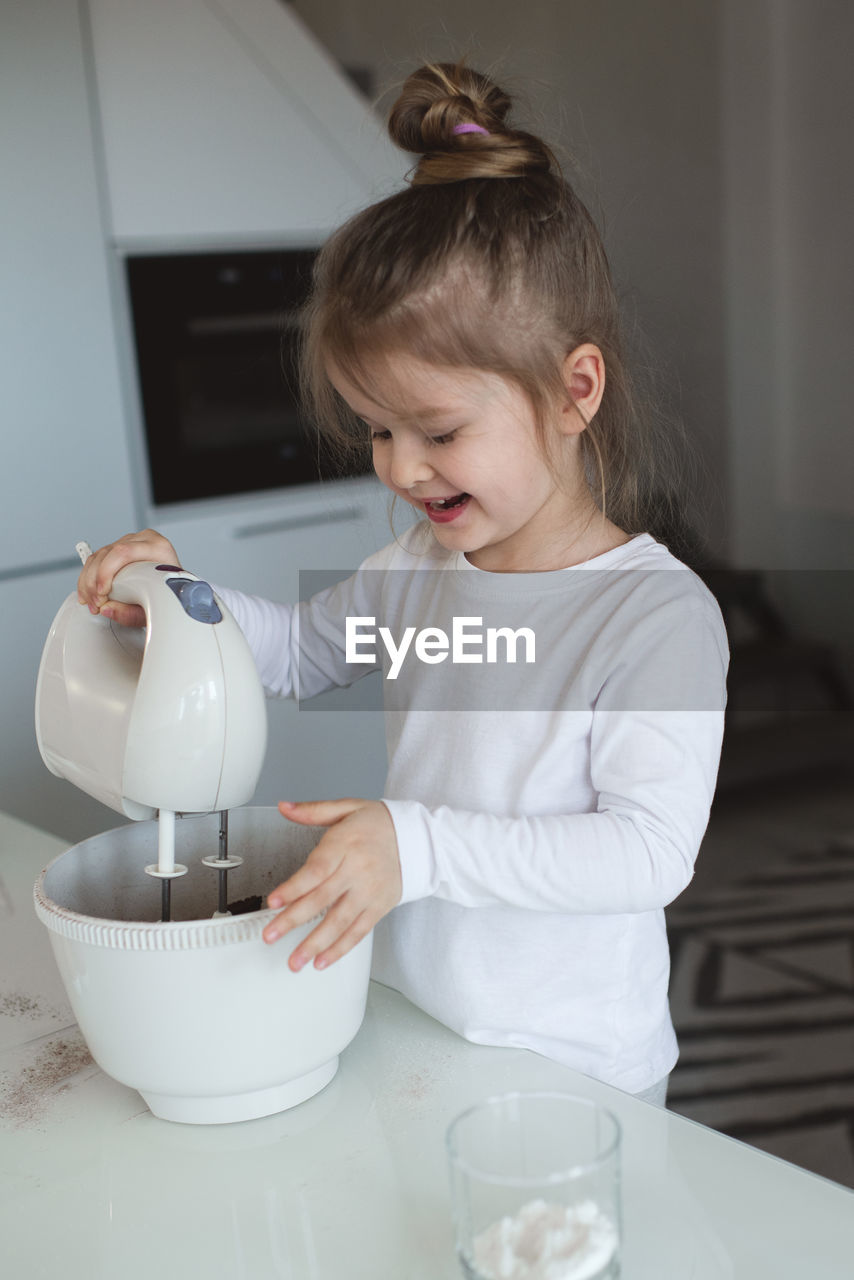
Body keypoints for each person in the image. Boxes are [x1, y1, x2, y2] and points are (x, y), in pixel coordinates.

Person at [78, 61, 728, 1105]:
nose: (398, 467)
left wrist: (412, 842)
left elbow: (643, 852)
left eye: (438, 430)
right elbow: (294, 651)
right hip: (406, 1021)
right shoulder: (411, 574)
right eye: (376, 429)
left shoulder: (650, 617)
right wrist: (177, 598)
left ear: (573, 390)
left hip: (571, 1068)